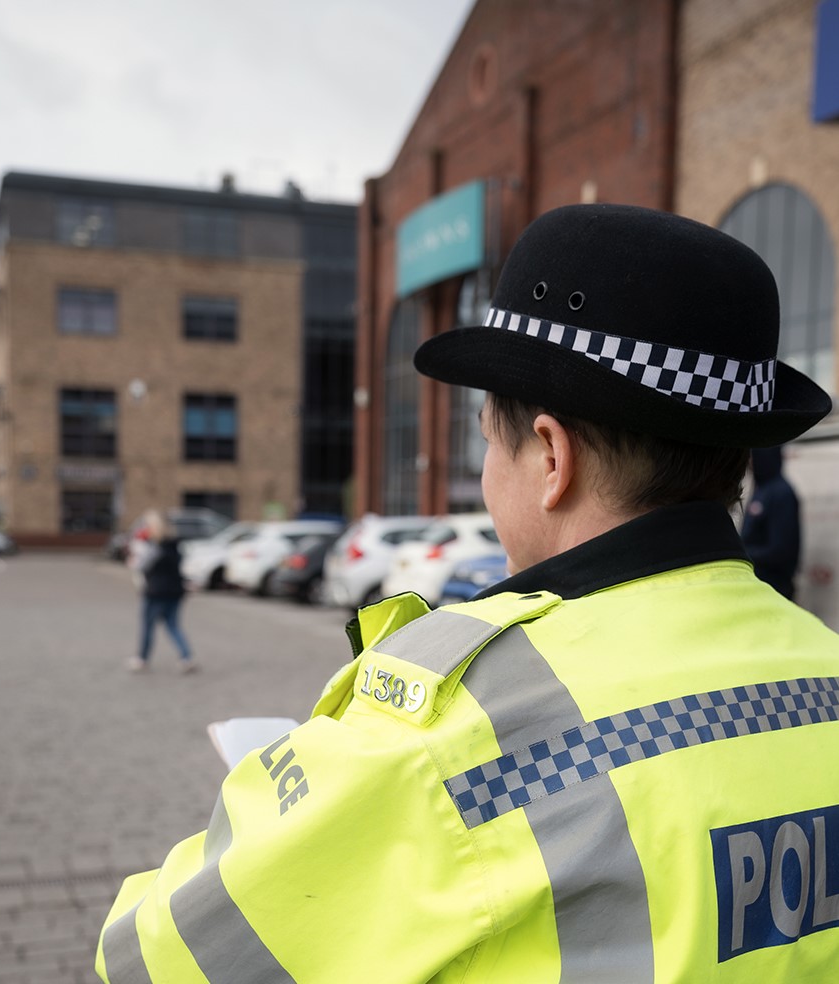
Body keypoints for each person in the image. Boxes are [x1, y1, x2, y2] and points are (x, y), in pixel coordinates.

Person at [95, 204, 839, 981]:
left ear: (552, 458)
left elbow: (153, 958)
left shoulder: (452, 733)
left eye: (488, 438)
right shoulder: (826, 670)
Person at [128, 510, 196, 674]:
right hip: (175, 591)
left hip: (156, 592)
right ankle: (186, 657)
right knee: (173, 625)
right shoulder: (176, 545)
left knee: (148, 626)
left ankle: (142, 658)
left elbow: (140, 566)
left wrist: (135, 555)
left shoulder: (154, 548)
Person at [741, 445, 802, 599]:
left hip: (775, 588)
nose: (749, 461)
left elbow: (781, 549)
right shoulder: (760, 490)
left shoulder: (781, 493)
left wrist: (742, 555)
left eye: (752, 455)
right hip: (757, 585)